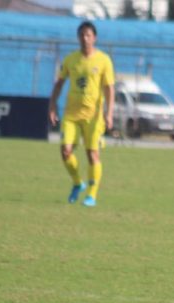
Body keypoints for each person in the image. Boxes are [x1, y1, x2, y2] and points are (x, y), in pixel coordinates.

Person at [49, 21, 114, 208]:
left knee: (92, 154)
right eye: (82, 35)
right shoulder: (71, 60)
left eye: (88, 35)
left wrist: (109, 114)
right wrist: (52, 106)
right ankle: (78, 182)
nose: (85, 39)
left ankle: (91, 194)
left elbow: (109, 89)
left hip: (93, 116)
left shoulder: (103, 60)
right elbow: (59, 84)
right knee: (65, 151)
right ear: (78, 38)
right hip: (71, 115)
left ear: (94, 38)